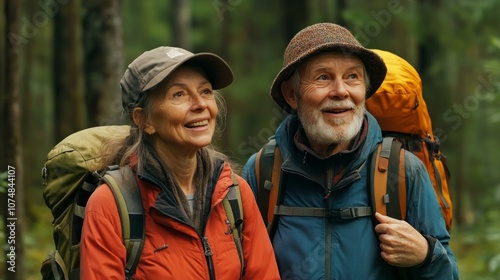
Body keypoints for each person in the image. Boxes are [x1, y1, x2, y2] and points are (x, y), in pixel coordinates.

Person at [242, 23, 459, 279]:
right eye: (323, 77)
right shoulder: (263, 171)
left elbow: (449, 273)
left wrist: (425, 255)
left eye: (352, 77)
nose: (341, 91)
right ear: (292, 94)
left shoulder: (403, 171)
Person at [80, 46, 280, 279]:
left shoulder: (235, 194)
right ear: (143, 120)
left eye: (205, 91)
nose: (200, 104)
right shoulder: (109, 206)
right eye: (179, 94)